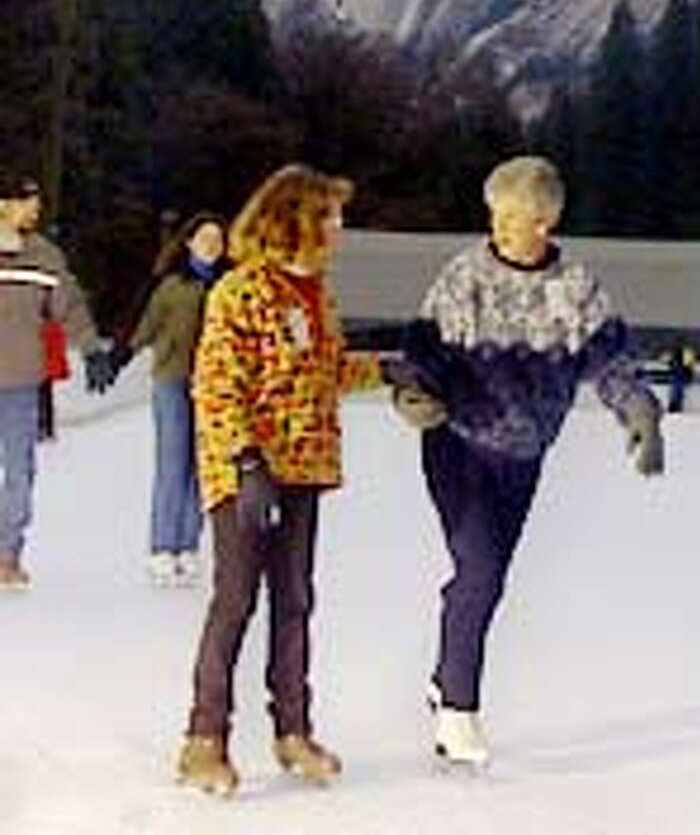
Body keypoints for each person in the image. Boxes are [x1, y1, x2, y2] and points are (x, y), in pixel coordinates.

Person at [382, 154, 663, 769]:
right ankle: (457, 710)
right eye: (498, 215)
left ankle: (442, 674)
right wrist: (414, 395)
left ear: (546, 221)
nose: (504, 228)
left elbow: (611, 363)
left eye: (518, 217)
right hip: (456, 443)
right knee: (480, 569)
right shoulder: (464, 276)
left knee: (484, 579)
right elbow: (421, 355)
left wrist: (639, 411)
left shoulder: (575, 288)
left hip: (525, 455)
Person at [176, 165, 381, 796]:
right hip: (247, 472)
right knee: (236, 597)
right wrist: (245, 462)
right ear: (292, 220)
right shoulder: (240, 291)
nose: (339, 227)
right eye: (329, 216)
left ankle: (293, 729)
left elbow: (323, 373)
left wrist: (393, 372)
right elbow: (215, 385)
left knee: (294, 599)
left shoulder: (316, 293)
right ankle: (204, 739)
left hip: (304, 467)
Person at [0, 179, 115, 588]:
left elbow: (70, 305)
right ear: (6, 204)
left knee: (19, 472)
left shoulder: (44, 256)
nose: (36, 211)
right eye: (29, 203)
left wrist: (90, 349)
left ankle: (6, 554)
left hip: (20, 382)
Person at [116, 211, 228, 584]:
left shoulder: (230, 285)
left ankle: (188, 544)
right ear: (189, 242)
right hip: (172, 379)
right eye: (204, 238)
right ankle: (163, 545)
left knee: (202, 467)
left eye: (217, 239)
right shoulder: (171, 284)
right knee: (172, 462)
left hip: (214, 385)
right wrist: (121, 354)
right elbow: (146, 324)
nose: (211, 245)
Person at [666, 340, 695, 414]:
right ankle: (675, 405)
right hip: (679, 374)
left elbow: (688, 365)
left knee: (677, 390)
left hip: (681, 374)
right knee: (676, 390)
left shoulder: (686, 353)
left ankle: (676, 405)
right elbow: (670, 362)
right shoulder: (675, 353)